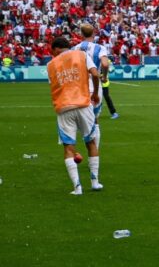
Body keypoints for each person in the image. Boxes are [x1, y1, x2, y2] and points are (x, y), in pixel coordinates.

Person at [46, 37, 103, 195]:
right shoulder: (82, 55)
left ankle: (77, 187)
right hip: (83, 104)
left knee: (68, 147)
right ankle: (95, 182)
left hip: (63, 107)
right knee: (91, 142)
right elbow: (95, 74)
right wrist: (96, 94)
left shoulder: (50, 65)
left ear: (56, 49)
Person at [71, 24, 110, 149]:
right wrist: (104, 76)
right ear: (94, 34)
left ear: (81, 34)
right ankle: (94, 153)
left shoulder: (75, 48)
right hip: (94, 85)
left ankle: (74, 150)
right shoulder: (100, 48)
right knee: (94, 119)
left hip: (79, 86)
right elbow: (105, 63)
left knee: (77, 119)